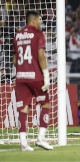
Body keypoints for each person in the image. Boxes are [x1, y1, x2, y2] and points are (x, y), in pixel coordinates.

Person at [12, 11, 53, 151]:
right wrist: (46, 74)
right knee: (45, 104)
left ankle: (23, 143)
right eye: (40, 19)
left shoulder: (17, 35)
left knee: (23, 109)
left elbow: (14, 60)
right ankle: (40, 138)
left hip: (21, 77)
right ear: (34, 20)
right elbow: (41, 56)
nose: (41, 22)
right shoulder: (38, 34)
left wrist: (23, 68)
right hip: (36, 76)